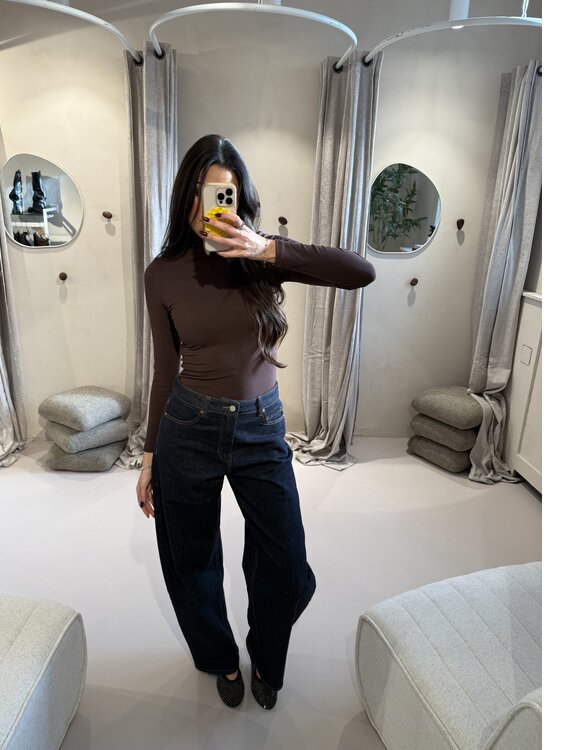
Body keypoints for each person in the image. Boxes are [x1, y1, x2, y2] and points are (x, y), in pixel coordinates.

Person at [135, 134, 376, 710]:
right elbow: (165, 369)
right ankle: (220, 657)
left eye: (224, 193)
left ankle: (267, 652)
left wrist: (266, 249)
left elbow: (360, 271)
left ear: (240, 199)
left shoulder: (263, 259)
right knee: (189, 558)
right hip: (188, 425)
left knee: (286, 563)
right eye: (201, 192)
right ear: (184, 196)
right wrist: (148, 457)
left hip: (261, 427)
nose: (210, 206)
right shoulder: (162, 273)